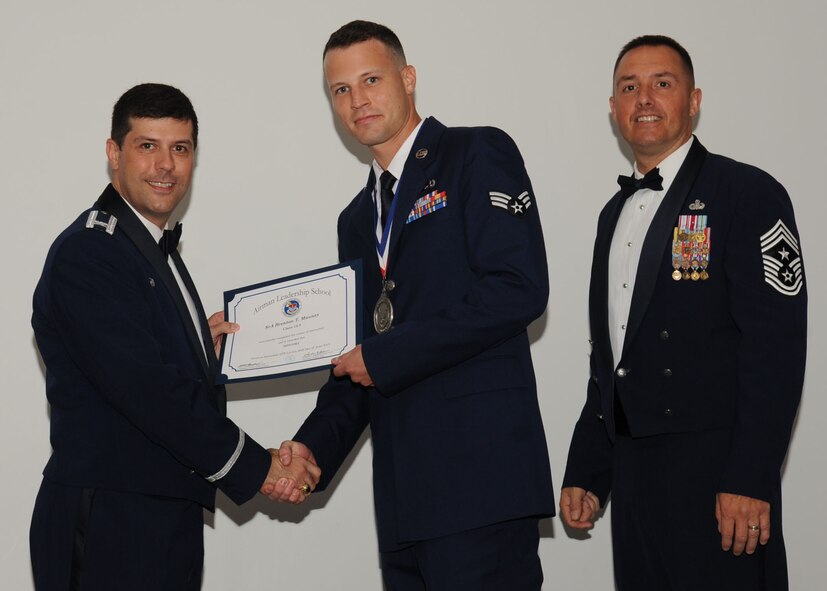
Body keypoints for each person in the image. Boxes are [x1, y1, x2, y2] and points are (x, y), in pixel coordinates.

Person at [276, 20, 554, 590]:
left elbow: (517, 286)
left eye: (371, 79)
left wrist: (384, 356)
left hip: (481, 484)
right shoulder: (356, 219)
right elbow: (359, 360)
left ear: (408, 78)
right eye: (341, 90)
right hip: (405, 499)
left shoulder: (475, 153)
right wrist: (310, 449)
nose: (358, 100)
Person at [30, 83, 319, 591]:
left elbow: (139, 359)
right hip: (112, 523)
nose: (165, 165)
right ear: (113, 153)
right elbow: (150, 392)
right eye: (148, 146)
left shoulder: (147, 246)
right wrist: (260, 467)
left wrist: (194, 347)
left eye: (180, 149)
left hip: (158, 516)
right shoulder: (92, 253)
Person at [560, 36, 806, 590]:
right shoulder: (612, 214)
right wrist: (589, 469)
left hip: (718, 475)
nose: (644, 98)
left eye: (661, 84)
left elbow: (778, 349)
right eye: (629, 87)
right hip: (636, 477)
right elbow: (613, 355)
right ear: (613, 107)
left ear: (694, 101)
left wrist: (751, 477)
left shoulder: (748, 193)